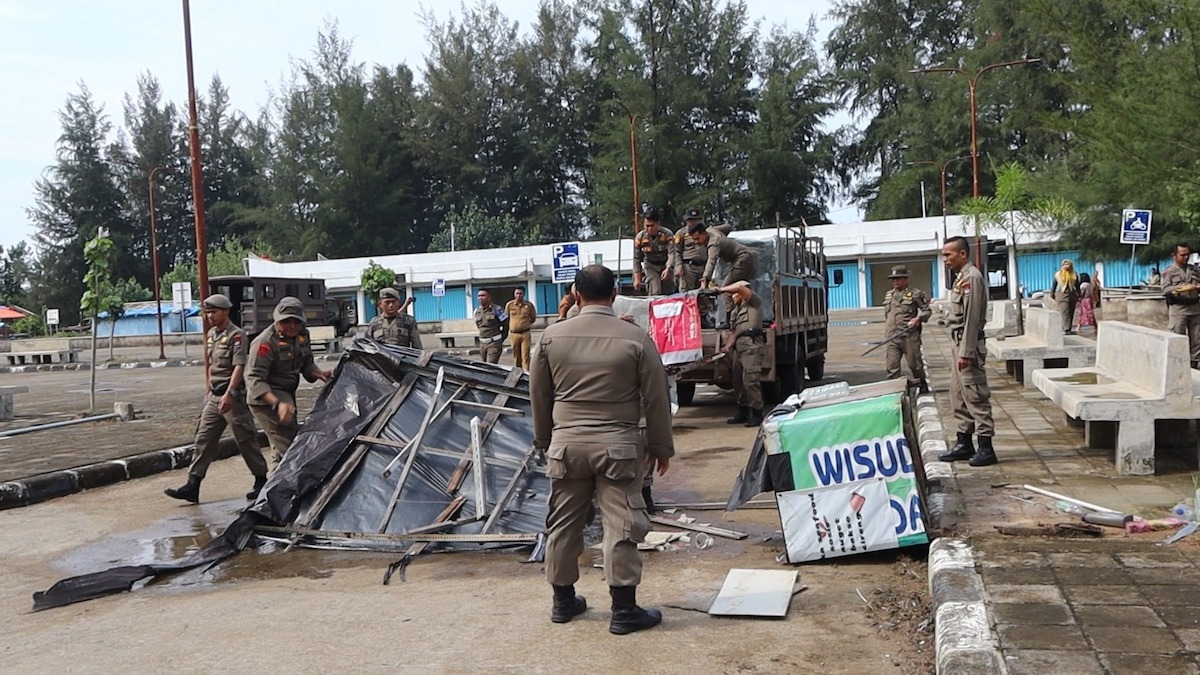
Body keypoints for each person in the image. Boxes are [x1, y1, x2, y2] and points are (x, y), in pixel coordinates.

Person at [529, 264, 673, 636]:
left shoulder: (550, 338)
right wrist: (659, 447)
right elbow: (657, 397)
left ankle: (563, 603)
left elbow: (539, 397)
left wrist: (545, 441)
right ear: (614, 294)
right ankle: (623, 611)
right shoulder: (635, 338)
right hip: (619, 448)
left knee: (562, 524)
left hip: (566, 446)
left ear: (576, 294)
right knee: (621, 525)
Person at [165, 294, 268, 504]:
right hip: (214, 396)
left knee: (245, 439)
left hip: (233, 398)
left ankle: (261, 480)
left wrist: (230, 393)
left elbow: (239, 366)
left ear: (225, 312)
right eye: (208, 312)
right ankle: (193, 485)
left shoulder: (237, 336)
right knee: (204, 439)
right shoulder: (212, 334)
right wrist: (209, 390)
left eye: (214, 312)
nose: (210, 316)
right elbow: (211, 365)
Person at [245, 297, 333, 464]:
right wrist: (277, 404)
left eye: (296, 322)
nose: (292, 326)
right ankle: (285, 487)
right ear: (277, 320)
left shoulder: (302, 334)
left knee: (285, 446)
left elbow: (306, 364)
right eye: (287, 322)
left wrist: (319, 373)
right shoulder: (265, 342)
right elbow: (255, 379)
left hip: (287, 395)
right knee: (289, 449)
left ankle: (277, 484)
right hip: (266, 398)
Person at [937, 237, 997, 467]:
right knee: (958, 396)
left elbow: (972, 319)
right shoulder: (961, 277)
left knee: (975, 396)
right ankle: (964, 442)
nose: (945, 259)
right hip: (958, 344)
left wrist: (967, 352)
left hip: (967, 345)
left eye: (948, 255)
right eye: (943, 255)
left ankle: (986, 446)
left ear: (963, 254)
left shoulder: (972, 277)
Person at [719, 281, 766, 427]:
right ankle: (743, 411)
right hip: (739, 348)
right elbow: (735, 333)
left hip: (751, 347)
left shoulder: (754, 303)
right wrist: (727, 347)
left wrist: (720, 289)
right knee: (738, 381)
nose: (732, 296)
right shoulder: (736, 311)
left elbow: (740, 287)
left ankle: (757, 413)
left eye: (734, 293)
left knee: (750, 381)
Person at [882, 266, 931, 392]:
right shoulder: (889, 295)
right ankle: (894, 391)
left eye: (898, 279)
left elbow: (927, 311)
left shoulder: (916, 294)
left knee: (915, 365)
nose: (895, 281)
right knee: (891, 366)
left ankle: (922, 383)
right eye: (893, 279)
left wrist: (918, 319)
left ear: (906, 279)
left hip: (909, 336)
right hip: (892, 336)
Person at [1162, 242, 1200, 368]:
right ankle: (1178, 365)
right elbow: (1165, 290)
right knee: (1177, 337)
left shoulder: (1194, 270)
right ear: (1174, 255)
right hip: (1179, 309)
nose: (1185, 257)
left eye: (1187, 255)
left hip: (1195, 308)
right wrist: (1183, 287)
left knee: (1197, 339)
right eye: (1182, 255)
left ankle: (1194, 365)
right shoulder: (1169, 272)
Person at [688, 221, 756, 290]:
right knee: (742, 288)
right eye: (694, 239)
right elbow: (728, 227)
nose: (696, 242)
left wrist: (705, 277)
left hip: (742, 258)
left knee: (726, 289)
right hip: (743, 257)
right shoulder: (712, 230)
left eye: (697, 238)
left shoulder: (714, 243)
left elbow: (711, 261)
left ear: (704, 233)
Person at [633, 207, 676, 295]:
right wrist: (637, 278)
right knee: (655, 290)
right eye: (647, 226)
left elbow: (672, 253)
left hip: (665, 264)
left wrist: (668, 267)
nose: (649, 229)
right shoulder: (640, 238)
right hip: (651, 265)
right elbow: (637, 259)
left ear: (658, 224)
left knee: (668, 292)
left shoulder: (667, 234)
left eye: (652, 226)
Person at [673, 208, 708, 292]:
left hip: (703, 266)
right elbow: (676, 251)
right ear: (686, 220)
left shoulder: (705, 232)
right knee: (687, 293)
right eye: (691, 220)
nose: (693, 222)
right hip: (689, 267)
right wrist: (678, 266)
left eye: (696, 220)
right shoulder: (681, 233)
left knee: (703, 293)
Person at [505, 287, 538, 369]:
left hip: (525, 334)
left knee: (525, 356)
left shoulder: (529, 305)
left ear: (524, 294)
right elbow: (506, 318)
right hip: (514, 335)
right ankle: (518, 372)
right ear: (514, 294)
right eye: (517, 293)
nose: (518, 295)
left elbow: (533, 318)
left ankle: (526, 374)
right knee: (516, 356)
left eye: (520, 293)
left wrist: (524, 324)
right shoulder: (509, 305)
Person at [474, 289, 508, 364]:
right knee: (484, 366)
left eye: (483, 295)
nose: (480, 298)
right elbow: (479, 326)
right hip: (482, 343)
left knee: (491, 365)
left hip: (494, 343)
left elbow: (506, 324)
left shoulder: (497, 309)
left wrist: (501, 338)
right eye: (479, 296)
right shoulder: (477, 311)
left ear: (489, 297)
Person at [1049, 259, 1081, 335]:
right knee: (1065, 312)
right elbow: (1054, 285)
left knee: (1071, 312)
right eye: (1064, 264)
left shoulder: (1074, 275)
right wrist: (1052, 294)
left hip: (1072, 296)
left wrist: (1079, 295)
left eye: (1067, 264)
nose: (1066, 266)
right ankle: (1066, 329)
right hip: (1062, 296)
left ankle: (1068, 328)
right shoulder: (1058, 275)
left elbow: (1077, 286)